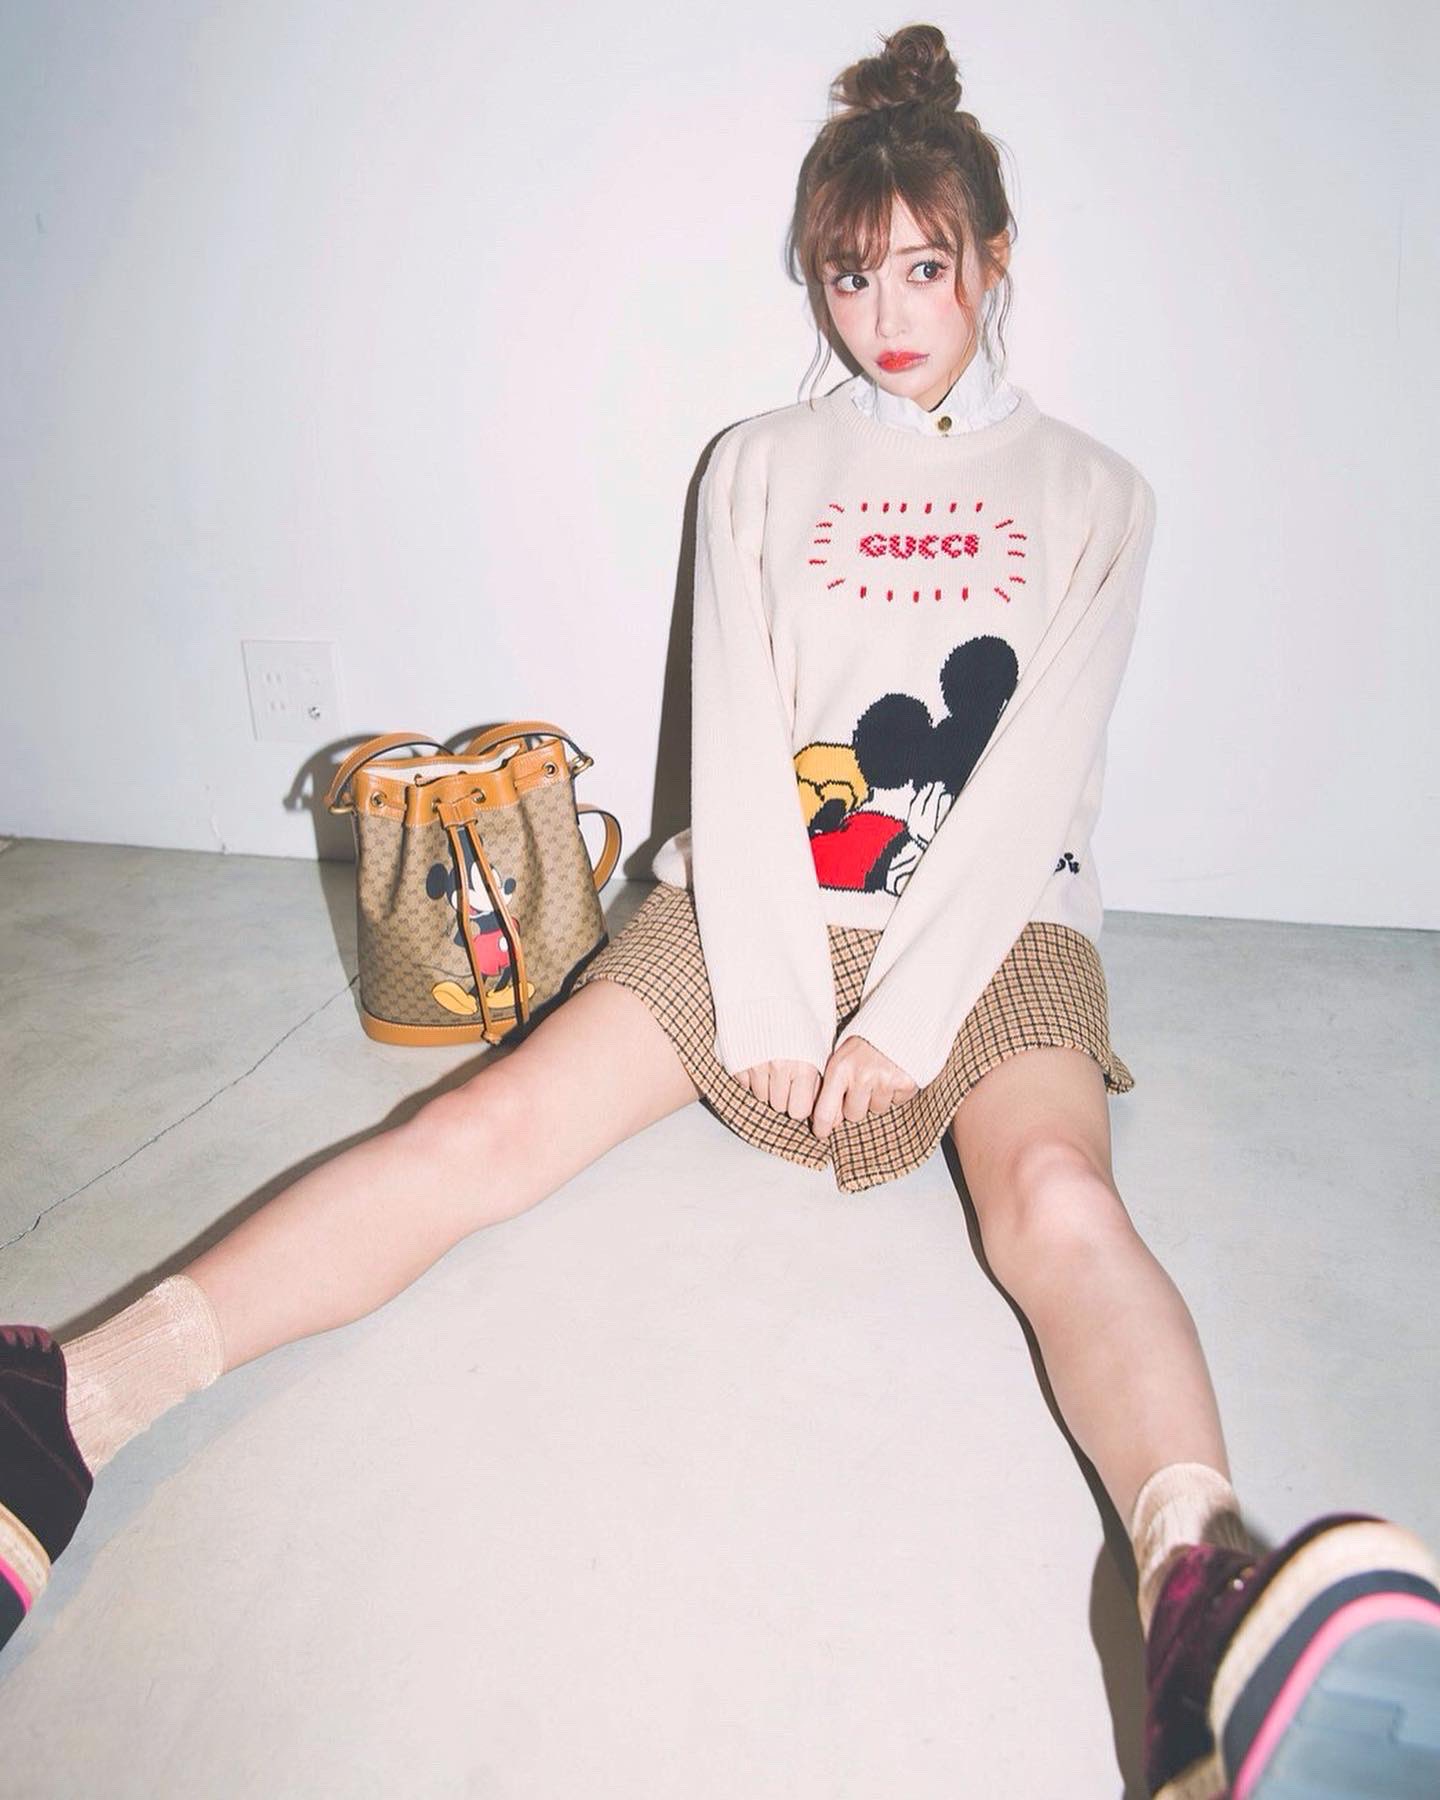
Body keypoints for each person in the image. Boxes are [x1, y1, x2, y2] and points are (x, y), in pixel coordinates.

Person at [3, 21, 1437, 1797]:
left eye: (925, 267)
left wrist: (902, 1020)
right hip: (760, 891)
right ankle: (57, 1412)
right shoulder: (757, 462)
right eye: (851, 274)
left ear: (997, 259)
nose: (886, 312)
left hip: (999, 925)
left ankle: (1201, 1604)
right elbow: (738, 739)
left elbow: (1033, 787)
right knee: (479, 1129)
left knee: (1058, 1199)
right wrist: (765, 989)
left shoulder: (1096, 495)